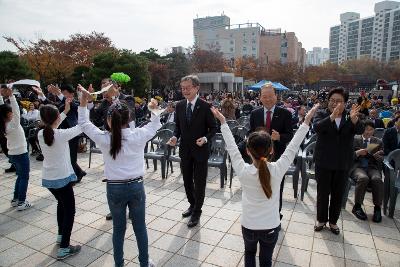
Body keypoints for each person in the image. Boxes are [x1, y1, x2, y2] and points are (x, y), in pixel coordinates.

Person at [211, 103, 318, 267]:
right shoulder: (278, 169)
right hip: (271, 226)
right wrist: (306, 121)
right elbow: (293, 146)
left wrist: (223, 122)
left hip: (249, 225)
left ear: (247, 151)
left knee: (249, 254)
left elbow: (232, 147)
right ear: (271, 151)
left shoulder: (243, 170)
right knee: (266, 260)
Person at [78, 86, 159, 267]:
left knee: (118, 230)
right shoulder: (138, 135)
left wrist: (83, 101)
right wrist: (154, 109)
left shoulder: (104, 139)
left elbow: (84, 123)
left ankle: (119, 264)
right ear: (129, 118)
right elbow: (154, 125)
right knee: (140, 227)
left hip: (114, 188)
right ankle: (144, 263)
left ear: (109, 120)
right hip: (136, 186)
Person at [168, 75, 217, 228]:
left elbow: (214, 128)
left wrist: (205, 138)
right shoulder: (180, 105)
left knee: (200, 182)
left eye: (188, 88)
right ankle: (192, 204)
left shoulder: (205, 106)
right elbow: (178, 127)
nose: (185, 91)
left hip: (201, 150)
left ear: (196, 88)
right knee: (187, 180)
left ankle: (197, 211)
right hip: (185, 150)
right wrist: (175, 136)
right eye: (183, 88)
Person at [313, 87, 363, 235]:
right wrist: (332, 117)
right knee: (323, 193)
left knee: (337, 194)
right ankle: (321, 220)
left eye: (338, 101)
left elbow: (360, 130)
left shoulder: (349, 116)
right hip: (324, 161)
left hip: (342, 162)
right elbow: (317, 127)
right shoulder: (322, 113)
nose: (334, 104)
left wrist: (355, 120)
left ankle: (333, 222)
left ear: (345, 103)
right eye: (332, 100)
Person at [38, 102, 82, 259]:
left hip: (49, 179)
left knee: (61, 204)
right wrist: (85, 105)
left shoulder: (41, 134)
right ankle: (64, 247)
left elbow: (53, 126)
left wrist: (65, 112)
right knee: (70, 211)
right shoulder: (61, 134)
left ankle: (60, 235)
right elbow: (81, 126)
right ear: (57, 118)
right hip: (62, 180)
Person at [249, 83, 294, 220]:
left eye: (270, 96)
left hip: (277, 157)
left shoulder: (285, 113)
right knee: (258, 186)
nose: (267, 99)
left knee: (277, 187)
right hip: (258, 158)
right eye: (264, 96)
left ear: (276, 96)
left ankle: (276, 214)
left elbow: (290, 135)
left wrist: (279, 137)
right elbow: (250, 133)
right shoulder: (254, 113)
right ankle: (260, 213)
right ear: (260, 98)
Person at [0, 86, 32, 210]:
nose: (14, 113)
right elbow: (16, 110)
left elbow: (2, 109)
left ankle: (15, 199)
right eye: (11, 113)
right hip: (20, 153)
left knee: (20, 176)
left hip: (13, 154)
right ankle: (21, 202)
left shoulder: (4, 124)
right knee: (24, 177)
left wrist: (2, 96)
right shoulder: (13, 124)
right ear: (9, 114)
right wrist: (11, 96)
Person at [350, 120, 384, 222]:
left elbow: (382, 157)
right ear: (362, 129)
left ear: (374, 130)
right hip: (357, 166)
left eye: (371, 130)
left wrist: (379, 156)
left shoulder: (378, 141)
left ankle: (377, 208)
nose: (368, 132)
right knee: (363, 178)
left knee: (377, 179)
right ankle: (357, 206)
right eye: (366, 129)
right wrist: (357, 153)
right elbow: (347, 156)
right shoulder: (354, 139)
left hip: (372, 167)